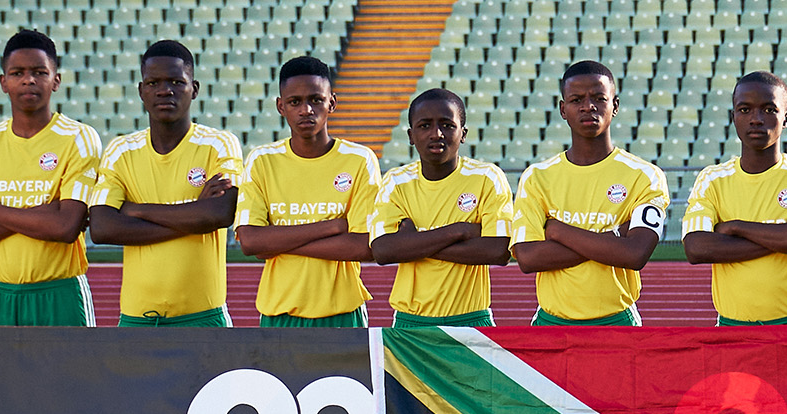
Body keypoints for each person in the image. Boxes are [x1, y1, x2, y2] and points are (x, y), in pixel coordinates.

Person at [88, 40, 242, 327]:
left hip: (204, 317)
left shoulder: (218, 145)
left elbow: (219, 214)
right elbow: (102, 228)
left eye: (176, 81)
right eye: (153, 82)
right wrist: (193, 213)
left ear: (194, 89)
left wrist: (136, 210)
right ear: (141, 90)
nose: (164, 90)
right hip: (136, 320)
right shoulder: (120, 151)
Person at [0, 30, 103, 326]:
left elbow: (65, 226)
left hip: (58, 292)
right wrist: (44, 213)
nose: (28, 80)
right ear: (3, 82)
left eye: (39, 72)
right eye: (17, 72)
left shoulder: (78, 138)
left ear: (56, 80)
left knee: (69, 373)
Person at [511, 62, 668, 325]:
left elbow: (635, 254)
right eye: (576, 99)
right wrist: (613, 239)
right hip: (551, 323)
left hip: (617, 321)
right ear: (563, 109)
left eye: (599, 98)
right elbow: (528, 258)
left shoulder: (644, 175)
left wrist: (559, 231)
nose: (588, 106)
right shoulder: (537, 177)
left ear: (615, 105)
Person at [234, 55, 380, 327]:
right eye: (295, 102)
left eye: (316, 100)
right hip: (279, 314)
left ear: (331, 103)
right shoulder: (262, 160)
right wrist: (331, 227)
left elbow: (363, 246)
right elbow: (252, 243)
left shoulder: (359, 160)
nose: (306, 110)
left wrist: (278, 242)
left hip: (342, 315)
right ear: (281, 106)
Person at [681, 72, 787, 325]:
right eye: (745, 110)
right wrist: (786, 232)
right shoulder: (712, 179)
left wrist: (736, 228)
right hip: (730, 326)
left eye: (769, 109)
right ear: (734, 117)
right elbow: (696, 248)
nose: (756, 119)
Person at [369, 88, 514, 327]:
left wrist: (413, 243)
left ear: (463, 133)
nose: (436, 133)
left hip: (472, 320)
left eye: (447, 125)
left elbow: (498, 251)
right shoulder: (396, 182)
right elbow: (383, 251)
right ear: (411, 135)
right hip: (411, 323)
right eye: (425, 126)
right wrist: (458, 231)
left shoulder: (487, 177)